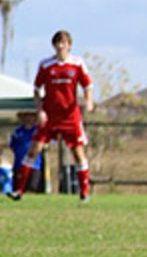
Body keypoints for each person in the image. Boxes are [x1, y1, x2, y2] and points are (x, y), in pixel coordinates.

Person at [10, 30, 94, 202]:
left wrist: (89, 101)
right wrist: (40, 110)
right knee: (34, 150)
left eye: (64, 43)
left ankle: (84, 193)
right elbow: (36, 89)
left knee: (78, 153)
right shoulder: (46, 65)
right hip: (50, 116)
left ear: (69, 45)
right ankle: (19, 191)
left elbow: (88, 85)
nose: (61, 46)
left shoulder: (77, 64)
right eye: (58, 43)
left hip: (70, 116)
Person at [8, 110, 43, 193]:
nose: (29, 118)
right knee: (19, 188)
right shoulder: (17, 132)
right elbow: (12, 145)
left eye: (31, 116)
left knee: (33, 187)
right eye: (26, 116)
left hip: (35, 165)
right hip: (19, 164)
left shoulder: (38, 131)